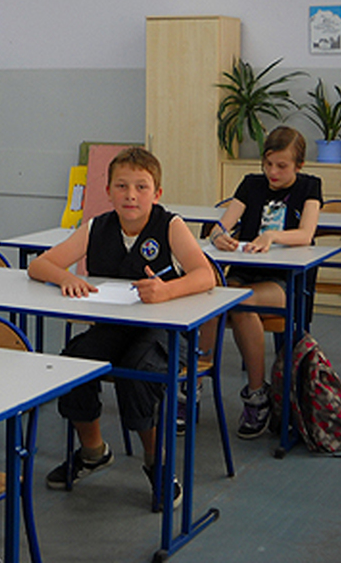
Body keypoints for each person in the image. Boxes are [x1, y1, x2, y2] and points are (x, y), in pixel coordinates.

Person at [28, 147, 214, 510]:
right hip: (115, 328)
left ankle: (157, 463)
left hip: (164, 332)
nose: (131, 195)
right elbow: (40, 265)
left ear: (157, 193)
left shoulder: (170, 226)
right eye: (122, 186)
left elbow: (205, 275)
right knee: (75, 361)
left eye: (141, 187)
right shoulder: (97, 227)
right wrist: (66, 277)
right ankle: (93, 452)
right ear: (108, 191)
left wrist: (166, 291)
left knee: (139, 372)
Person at [204, 126, 322, 439]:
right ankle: (196, 384)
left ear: (299, 165)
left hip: (284, 281)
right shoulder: (251, 185)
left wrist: (272, 236)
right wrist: (219, 236)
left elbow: (306, 234)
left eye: (282, 166)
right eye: (268, 164)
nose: (272, 172)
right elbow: (220, 226)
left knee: (239, 301)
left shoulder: (309, 187)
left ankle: (256, 395)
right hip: (244, 275)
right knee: (211, 299)